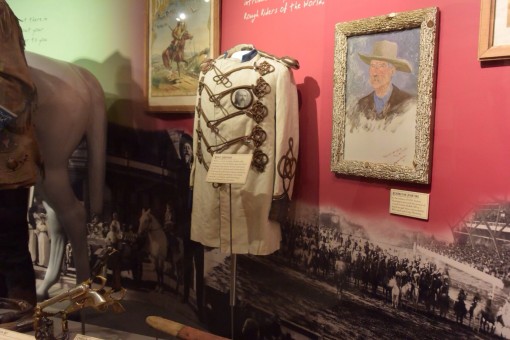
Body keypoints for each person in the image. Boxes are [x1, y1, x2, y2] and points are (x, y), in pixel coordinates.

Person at [348, 39, 416, 133]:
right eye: (373, 65)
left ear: (392, 71)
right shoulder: (361, 105)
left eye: (381, 66)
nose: (375, 72)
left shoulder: (407, 104)